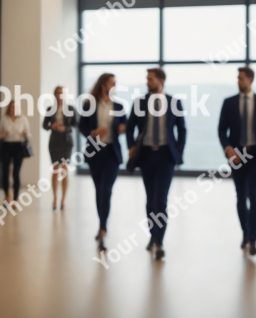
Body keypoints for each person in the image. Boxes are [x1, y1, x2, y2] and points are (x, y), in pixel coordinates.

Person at [126, 68, 186, 261]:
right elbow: (129, 127)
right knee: (150, 199)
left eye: (150, 79)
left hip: (165, 156)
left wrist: (178, 151)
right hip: (146, 156)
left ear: (161, 80)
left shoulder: (173, 102)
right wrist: (131, 146)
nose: (147, 82)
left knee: (161, 199)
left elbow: (182, 129)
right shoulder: (140, 102)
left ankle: (159, 241)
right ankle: (153, 234)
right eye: (147, 79)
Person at [218, 67, 256, 256]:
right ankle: (245, 231)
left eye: (241, 78)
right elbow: (221, 130)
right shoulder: (228, 103)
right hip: (237, 156)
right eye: (237, 78)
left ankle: (253, 238)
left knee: (255, 197)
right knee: (240, 197)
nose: (238, 81)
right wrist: (228, 149)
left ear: (250, 80)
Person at [78, 73, 127, 251]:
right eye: (112, 83)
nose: (115, 85)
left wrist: (123, 128)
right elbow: (82, 126)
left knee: (106, 190)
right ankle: (101, 224)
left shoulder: (119, 106)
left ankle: (103, 227)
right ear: (103, 85)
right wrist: (92, 132)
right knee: (99, 190)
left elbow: (125, 124)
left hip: (111, 153)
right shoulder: (89, 104)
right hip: (95, 152)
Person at [42, 86, 77, 210]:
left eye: (62, 93)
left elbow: (76, 124)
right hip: (54, 141)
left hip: (66, 141)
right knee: (56, 169)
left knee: (65, 168)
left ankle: (63, 199)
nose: (60, 95)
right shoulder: (50, 109)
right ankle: (55, 198)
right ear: (55, 95)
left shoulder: (71, 109)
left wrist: (65, 128)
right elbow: (44, 125)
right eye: (57, 93)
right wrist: (53, 126)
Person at [0, 100, 31, 207]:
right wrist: (1, 135)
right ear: (9, 108)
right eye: (12, 107)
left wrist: (26, 134)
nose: (13, 109)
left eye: (15, 107)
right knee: (5, 173)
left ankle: (15, 200)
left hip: (18, 146)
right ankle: (7, 194)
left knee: (16, 173)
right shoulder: (4, 119)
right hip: (6, 146)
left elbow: (29, 136)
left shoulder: (23, 119)